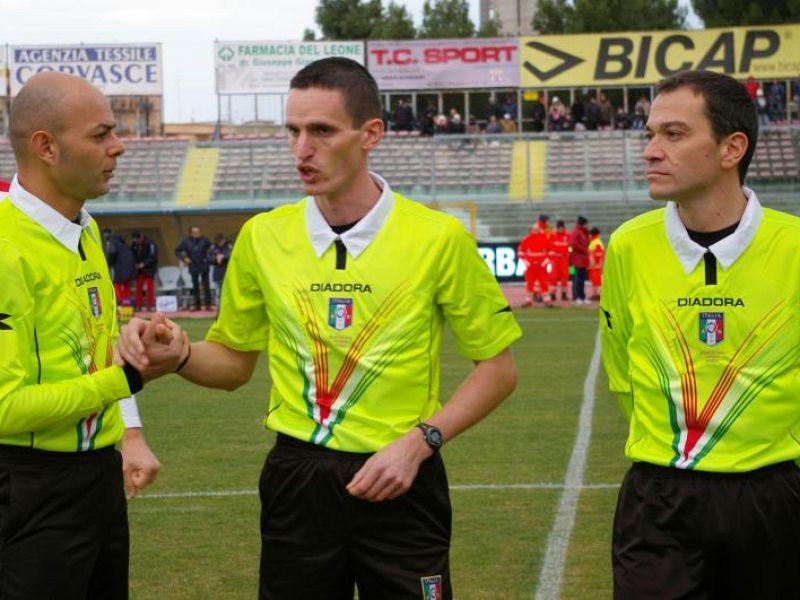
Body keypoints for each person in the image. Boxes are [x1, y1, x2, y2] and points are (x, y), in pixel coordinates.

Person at [118, 57, 521, 600]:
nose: (302, 149)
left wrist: (420, 443)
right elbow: (234, 363)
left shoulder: (438, 238)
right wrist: (183, 354)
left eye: (322, 131)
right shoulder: (263, 237)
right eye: (293, 131)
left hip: (403, 473)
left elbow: (498, 369)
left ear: (370, 134)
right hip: (297, 477)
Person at [600, 69, 800, 599]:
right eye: (649, 134)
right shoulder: (627, 246)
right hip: (658, 499)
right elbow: (621, 368)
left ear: (732, 147)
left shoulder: (795, 246)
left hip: (774, 497)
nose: (650, 150)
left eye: (674, 134)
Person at [0, 72, 160, 598]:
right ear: (45, 146)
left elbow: (102, 346)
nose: (118, 146)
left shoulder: (85, 228)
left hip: (99, 475)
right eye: (100, 134)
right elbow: (5, 409)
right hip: (30, 486)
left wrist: (129, 434)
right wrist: (125, 380)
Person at [517, 215, 552, 307]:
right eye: (534, 229)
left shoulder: (544, 238)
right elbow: (520, 251)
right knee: (530, 283)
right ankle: (529, 301)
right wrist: (526, 262)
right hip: (531, 264)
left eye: (537, 229)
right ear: (531, 230)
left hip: (541, 264)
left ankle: (547, 301)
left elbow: (550, 250)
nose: (536, 231)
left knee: (544, 282)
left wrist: (545, 261)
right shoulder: (527, 239)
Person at [175, 225, 212, 310]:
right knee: (195, 287)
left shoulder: (205, 240)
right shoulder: (186, 241)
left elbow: (211, 250)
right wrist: (184, 258)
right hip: (193, 265)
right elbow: (177, 251)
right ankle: (197, 305)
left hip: (204, 265)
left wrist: (208, 258)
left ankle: (208, 305)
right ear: (191, 233)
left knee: (206, 285)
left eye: (199, 232)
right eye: (195, 232)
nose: (197, 234)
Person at [106, 228, 136, 307]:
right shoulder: (124, 244)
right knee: (126, 286)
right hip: (128, 268)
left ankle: (119, 304)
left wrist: (108, 264)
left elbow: (112, 252)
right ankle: (126, 304)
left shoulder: (112, 242)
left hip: (118, 268)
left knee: (117, 285)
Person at [131, 231, 158, 312]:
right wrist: (136, 264)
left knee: (150, 288)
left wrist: (144, 264)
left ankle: (149, 305)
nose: (137, 242)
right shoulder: (134, 245)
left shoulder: (151, 243)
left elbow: (153, 256)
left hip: (149, 269)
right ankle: (138, 305)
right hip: (139, 270)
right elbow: (132, 255)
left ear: (141, 237)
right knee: (139, 288)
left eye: (138, 240)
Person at [568, 215, 589, 304]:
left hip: (582, 259)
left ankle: (582, 297)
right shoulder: (577, 232)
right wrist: (582, 249)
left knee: (582, 278)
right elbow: (572, 243)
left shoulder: (582, 232)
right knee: (578, 278)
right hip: (577, 259)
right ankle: (577, 297)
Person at [548, 219, 570, 301]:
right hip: (555, 260)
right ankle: (552, 294)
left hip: (564, 260)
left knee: (565, 277)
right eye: (559, 228)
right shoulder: (552, 236)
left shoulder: (567, 235)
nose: (561, 229)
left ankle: (564, 294)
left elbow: (569, 247)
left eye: (562, 228)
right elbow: (549, 248)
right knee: (553, 277)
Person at [208, 232, 233, 305]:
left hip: (228, 272)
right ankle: (219, 310)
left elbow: (233, 255)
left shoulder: (229, 246)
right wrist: (216, 259)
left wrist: (223, 257)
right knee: (218, 293)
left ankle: (229, 308)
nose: (221, 243)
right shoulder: (213, 247)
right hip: (217, 273)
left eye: (221, 241)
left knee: (229, 293)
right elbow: (208, 258)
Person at [587, 226, 604, 300]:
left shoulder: (596, 242)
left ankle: (597, 295)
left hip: (595, 266)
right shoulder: (594, 242)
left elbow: (598, 255)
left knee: (597, 281)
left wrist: (593, 264)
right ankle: (595, 295)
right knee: (594, 281)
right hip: (595, 266)